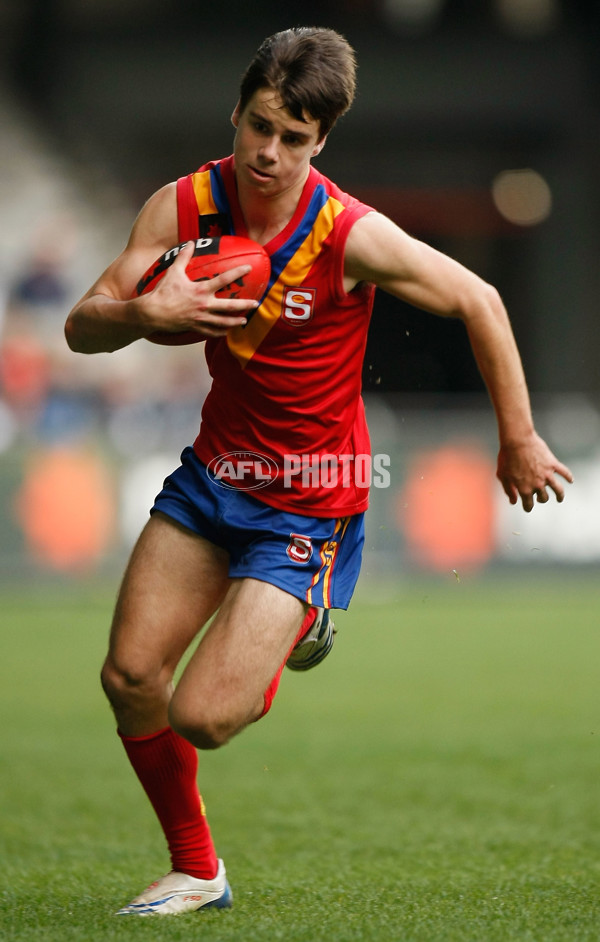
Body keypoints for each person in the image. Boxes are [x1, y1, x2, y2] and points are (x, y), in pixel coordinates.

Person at [64, 26, 573, 917]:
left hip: (308, 508)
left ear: (321, 141)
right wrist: (149, 311)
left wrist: (519, 438)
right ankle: (198, 870)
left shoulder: (347, 234)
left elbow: (478, 299)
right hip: (215, 475)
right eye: (259, 125)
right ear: (237, 110)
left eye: (293, 138)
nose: (268, 152)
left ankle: (300, 621)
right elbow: (83, 324)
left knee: (203, 717)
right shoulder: (182, 206)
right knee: (130, 678)